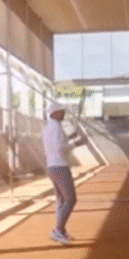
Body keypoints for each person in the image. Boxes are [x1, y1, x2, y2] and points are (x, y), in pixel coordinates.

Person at [42, 101, 88, 245]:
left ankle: (60, 231)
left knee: (61, 200)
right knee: (70, 199)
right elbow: (59, 148)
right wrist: (77, 143)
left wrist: (70, 137)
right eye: (62, 111)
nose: (64, 113)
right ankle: (57, 230)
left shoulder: (49, 127)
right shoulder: (55, 128)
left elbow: (57, 143)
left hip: (52, 167)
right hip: (60, 166)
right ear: (55, 113)